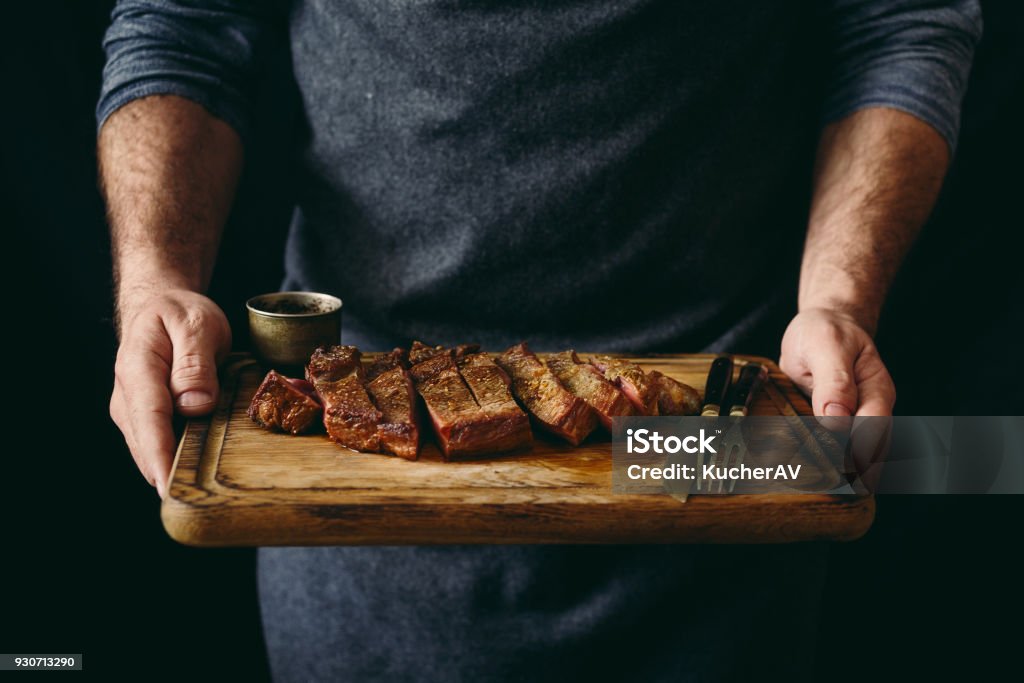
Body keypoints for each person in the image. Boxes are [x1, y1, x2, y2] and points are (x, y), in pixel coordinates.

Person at [98, 1, 980, 679]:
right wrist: (156, 282)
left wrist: (839, 299)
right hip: (359, 488)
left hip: (717, 459)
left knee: (971, 461)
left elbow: (898, 20)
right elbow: (185, 21)